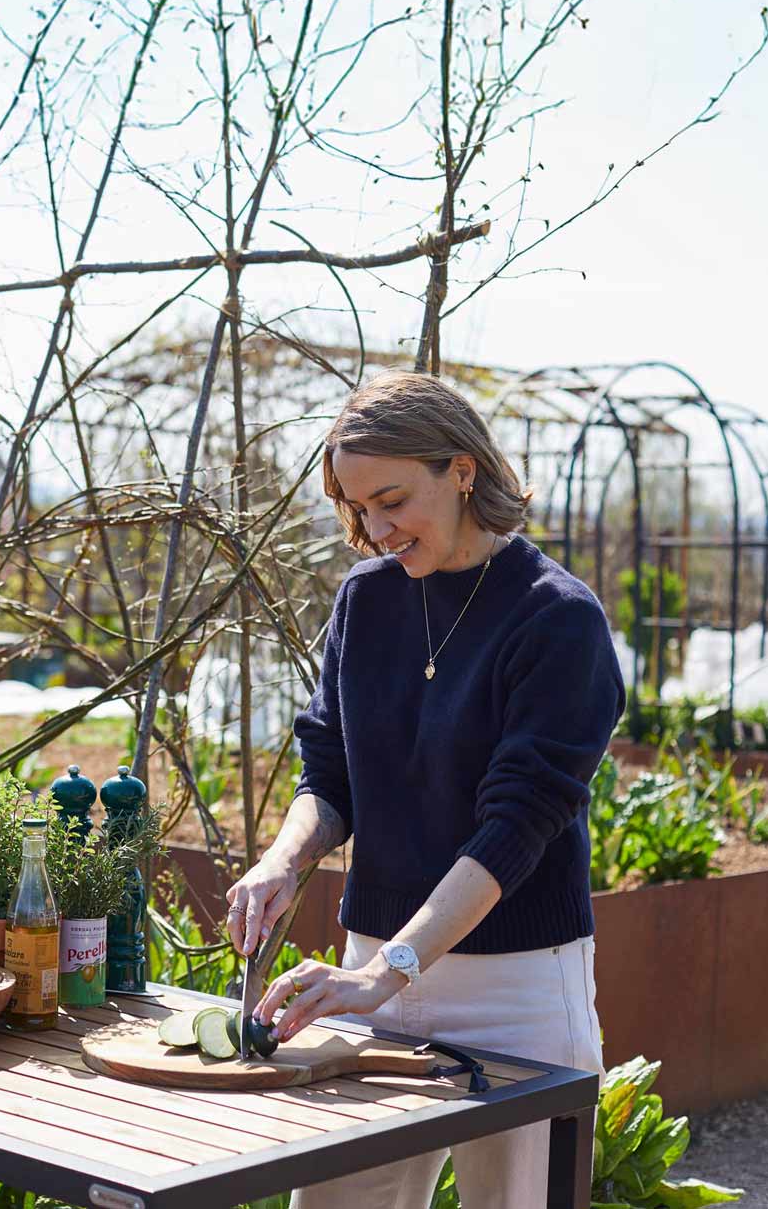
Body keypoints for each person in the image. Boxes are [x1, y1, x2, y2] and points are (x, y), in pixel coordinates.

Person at [227, 371, 623, 1209]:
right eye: (358, 508)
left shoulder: (559, 619)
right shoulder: (365, 603)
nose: (375, 530)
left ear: (463, 470)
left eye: (393, 499)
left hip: (516, 990)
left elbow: (516, 826)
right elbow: (328, 771)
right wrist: (283, 861)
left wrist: (397, 966)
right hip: (368, 975)